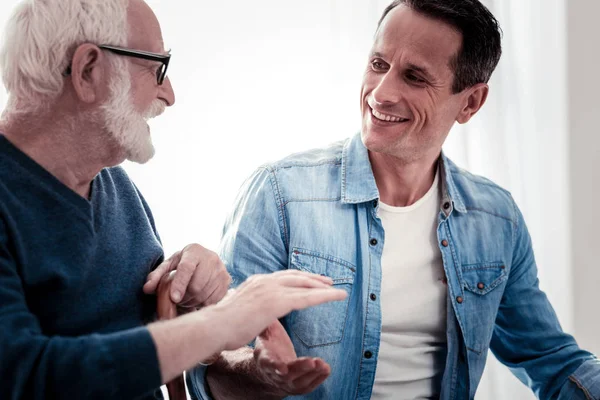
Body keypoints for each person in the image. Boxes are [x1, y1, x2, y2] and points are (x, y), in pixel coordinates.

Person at [188, 0, 600, 399]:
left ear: (470, 102)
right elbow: (215, 367)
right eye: (378, 65)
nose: (380, 94)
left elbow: (552, 360)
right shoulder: (280, 195)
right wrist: (262, 376)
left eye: (414, 77)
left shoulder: (497, 219)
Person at [0, 0, 347, 399]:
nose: (169, 93)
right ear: (88, 71)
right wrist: (218, 323)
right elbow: (24, 374)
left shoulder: (117, 188)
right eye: (156, 68)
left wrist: (185, 302)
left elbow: (140, 347)